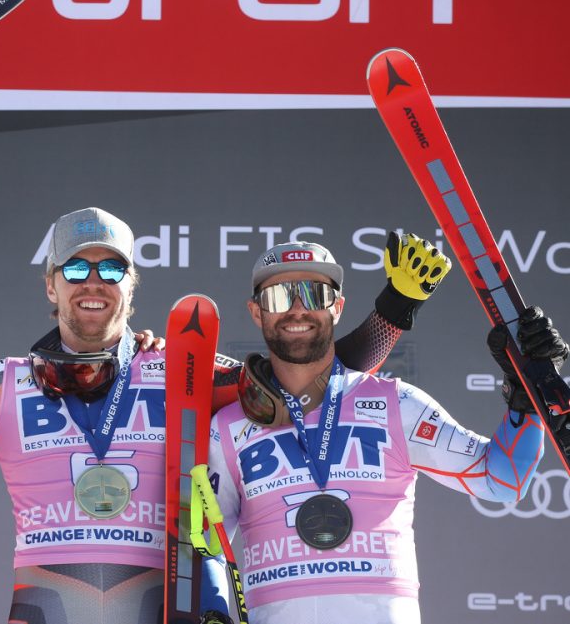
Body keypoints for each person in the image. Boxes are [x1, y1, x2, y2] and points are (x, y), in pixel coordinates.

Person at [0, 207, 448, 624]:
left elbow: (306, 384)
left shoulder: (185, 369)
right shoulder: (5, 384)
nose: (92, 282)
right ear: (51, 286)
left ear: (131, 285)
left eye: (111, 269)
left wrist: (393, 310)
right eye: (75, 269)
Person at [206, 240, 567, 624]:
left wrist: (526, 399)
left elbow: (503, 479)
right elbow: (206, 543)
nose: (298, 308)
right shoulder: (229, 426)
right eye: (279, 296)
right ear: (256, 312)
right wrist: (212, 610)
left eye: (315, 293)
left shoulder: (396, 404)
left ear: (337, 307)